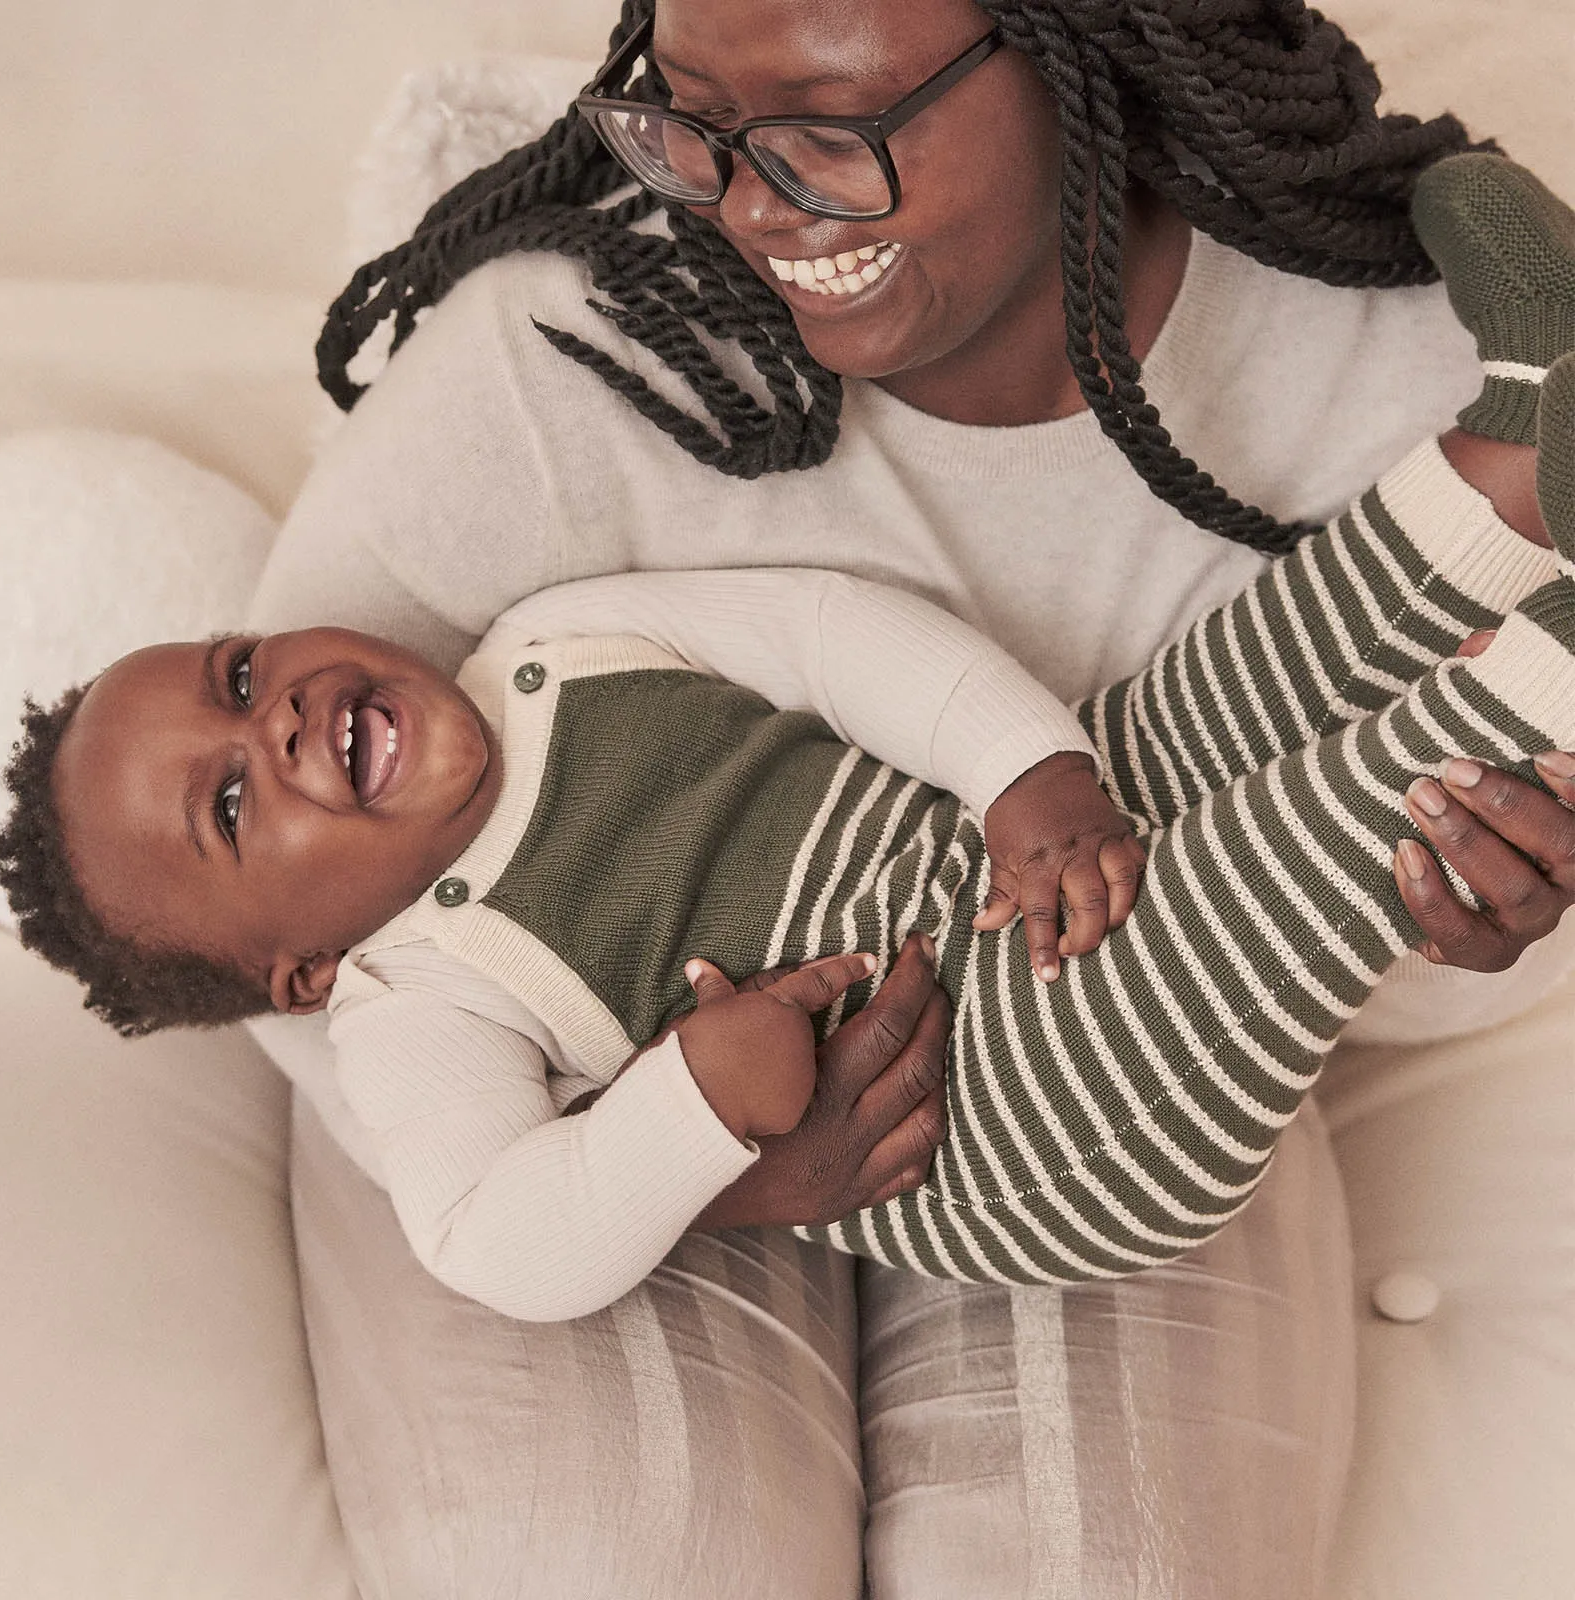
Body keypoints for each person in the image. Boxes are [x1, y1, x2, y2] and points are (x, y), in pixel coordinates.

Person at [254, 0, 1575, 1587]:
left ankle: (1527, 457)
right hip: (578, 1099)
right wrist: (686, 1167)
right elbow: (261, 902)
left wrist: (1472, 919)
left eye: (833, 125)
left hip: (1119, 989)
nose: (750, 206)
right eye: (693, 122)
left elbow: (1335, 949)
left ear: (1086, 54)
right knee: (606, 1564)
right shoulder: (579, 346)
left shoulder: (1354, 351)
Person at [0, 165, 1575, 1329]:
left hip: (1000, 872)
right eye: (224, 804)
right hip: (1013, 1114)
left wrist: (1027, 773)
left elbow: (828, 633)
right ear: (301, 976)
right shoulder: (421, 999)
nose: (268, 726)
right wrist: (699, 1110)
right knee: (1290, 843)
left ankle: (1511, 455)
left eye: (236, 671)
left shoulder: (551, 642)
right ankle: (1544, 672)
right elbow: (491, 1239)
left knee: (1215, 698)